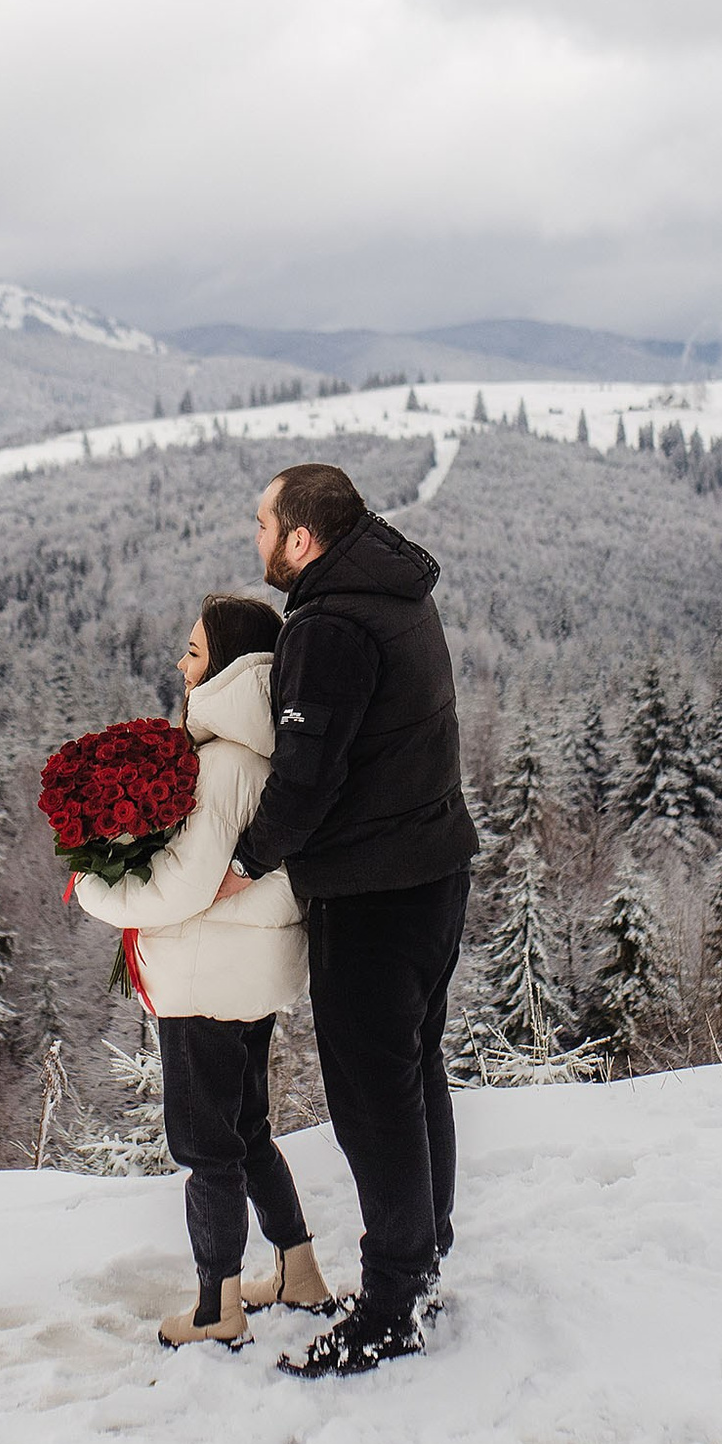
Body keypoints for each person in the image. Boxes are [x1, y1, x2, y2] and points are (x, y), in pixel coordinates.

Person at [213, 462, 478, 1377]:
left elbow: (306, 777)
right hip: (435, 870)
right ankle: (423, 1261)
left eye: (263, 524)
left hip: (375, 893)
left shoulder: (328, 625)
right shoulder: (394, 589)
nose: (255, 538)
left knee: (373, 1101)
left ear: (302, 538)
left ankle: (393, 1305)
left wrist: (244, 860)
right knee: (413, 1072)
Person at [70, 593, 336, 1348]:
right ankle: (298, 1271)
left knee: (205, 1144)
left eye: (193, 651)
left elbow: (187, 885)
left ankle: (217, 1309)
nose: (180, 665)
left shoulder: (218, 766)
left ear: (227, 666)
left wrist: (94, 887)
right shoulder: (267, 756)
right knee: (246, 1127)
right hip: (247, 972)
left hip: (204, 976)